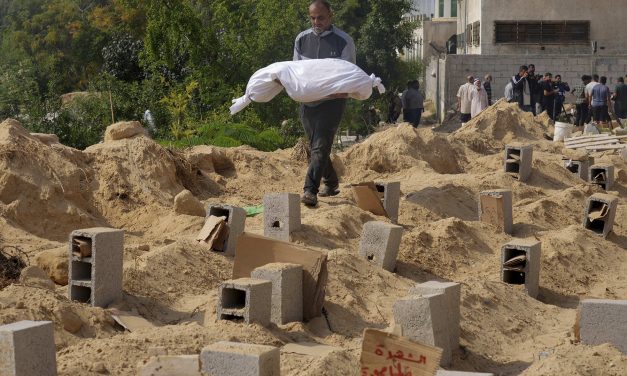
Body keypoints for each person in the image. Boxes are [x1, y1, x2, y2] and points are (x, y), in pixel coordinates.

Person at [293, 0, 356, 206]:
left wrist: (342, 91)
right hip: (308, 103)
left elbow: (349, 73)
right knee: (316, 147)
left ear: (331, 16)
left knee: (320, 146)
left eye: (321, 17)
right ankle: (331, 181)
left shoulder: (343, 41)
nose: (316, 22)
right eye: (312, 18)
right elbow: (295, 71)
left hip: (332, 103)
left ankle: (310, 190)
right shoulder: (301, 39)